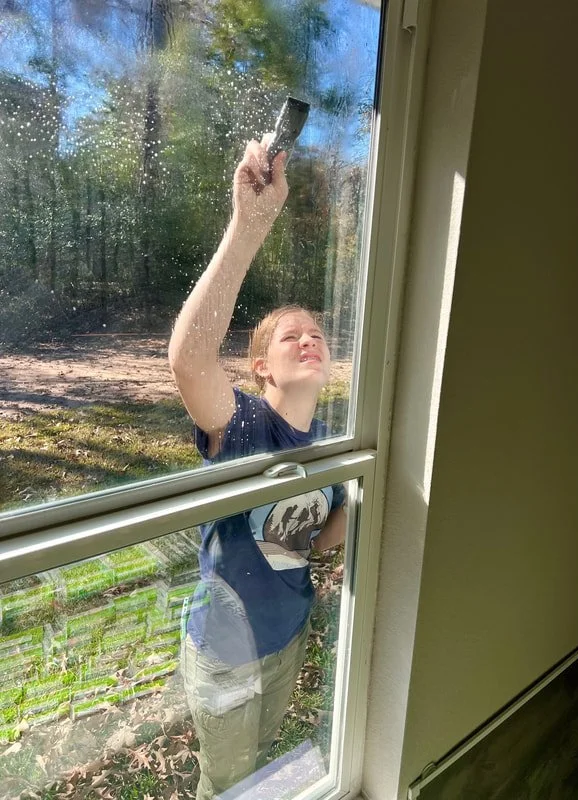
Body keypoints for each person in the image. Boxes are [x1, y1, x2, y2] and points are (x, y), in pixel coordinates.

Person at [168, 136, 347, 799]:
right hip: (222, 651)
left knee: (264, 766)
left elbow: (318, 541)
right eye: (287, 335)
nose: (307, 338)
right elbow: (189, 362)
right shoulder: (245, 426)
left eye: (317, 334)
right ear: (263, 368)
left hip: (286, 637)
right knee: (227, 783)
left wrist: (358, 503)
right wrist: (249, 229)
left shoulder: (336, 442)